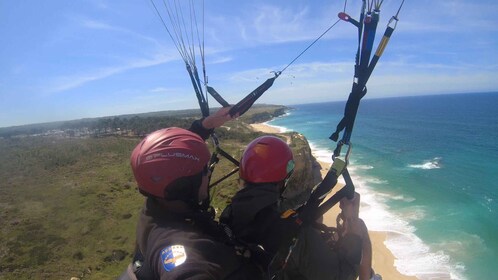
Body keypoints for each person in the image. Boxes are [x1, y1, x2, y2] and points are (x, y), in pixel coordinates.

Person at [119, 107, 264, 280]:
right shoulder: (179, 246)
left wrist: (204, 126)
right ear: (184, 185)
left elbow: (172, 158)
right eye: (204, 171)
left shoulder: (157, 205)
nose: (209, 173)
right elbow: (185, 271)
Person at [220, 135, 377, 280]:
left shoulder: (229, 214)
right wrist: (353, 221)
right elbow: (345, 273)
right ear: (283, 180)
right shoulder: (293, 235)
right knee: (361, 230)